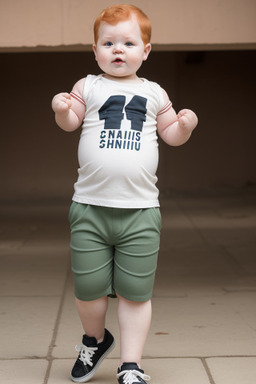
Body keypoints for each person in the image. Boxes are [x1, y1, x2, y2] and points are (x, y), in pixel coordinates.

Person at [52, 4, 198, 384]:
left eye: (128, 43)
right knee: (88, 291)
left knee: (136, 293)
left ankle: (130, 364)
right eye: (109, 43)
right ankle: (95, 339)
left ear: (145, 51)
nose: (118, 50)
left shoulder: (154, 92)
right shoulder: (89, 85)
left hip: (140, 211)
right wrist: (60, 109)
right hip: (89, 207)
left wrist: (184, 126)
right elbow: (71, 124)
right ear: (96, 49)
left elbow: (170, 135)